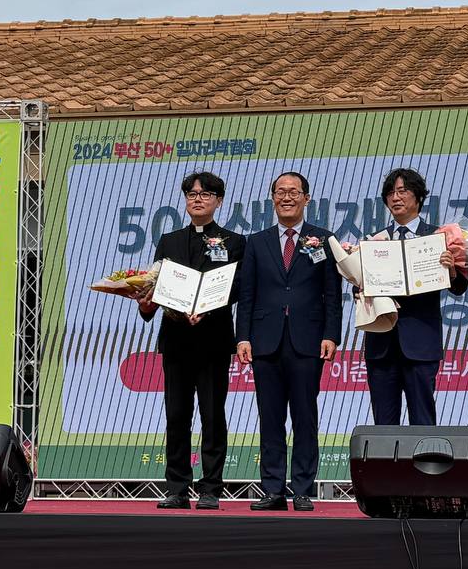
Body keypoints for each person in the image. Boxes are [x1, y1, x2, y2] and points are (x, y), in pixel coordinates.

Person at [138, 172, 246, 510]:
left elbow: (237, 289)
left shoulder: (234, 242)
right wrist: (146, 302)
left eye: (205, 194)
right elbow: (156, 286)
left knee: (213, 415)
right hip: (176, 339)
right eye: (191, 194)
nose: (197, 199)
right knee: (177, 415)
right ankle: (177, 487)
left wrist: (207, 311)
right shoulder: (168, 241)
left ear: (219, 200)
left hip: (213, 340)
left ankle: (211, 487)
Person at [235, 171, 342, 511]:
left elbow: (332, 295)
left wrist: (331, 334)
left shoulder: (323, 240)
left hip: (307, 340)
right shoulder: (257, 242)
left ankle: (302, 489)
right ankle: (272, 489)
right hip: (265, 341)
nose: (287, 197)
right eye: (280, 191)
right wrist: (243, 338)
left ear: (306, 199)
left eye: (294, 192)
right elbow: (247, 294)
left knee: (305, 417)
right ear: (272, 198)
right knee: (269, 417)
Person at [361, 168, 466, 426]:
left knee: (423, 421)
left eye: (402, 191)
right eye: (390, 193)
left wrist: (450, 269)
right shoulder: (376, 242)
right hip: (381, 344)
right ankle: (387, 468)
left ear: (418, 197)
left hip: (421, 343)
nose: (395, 198)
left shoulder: (439, 237)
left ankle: (425, 466)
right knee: (383, 426)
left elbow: (459, 287)